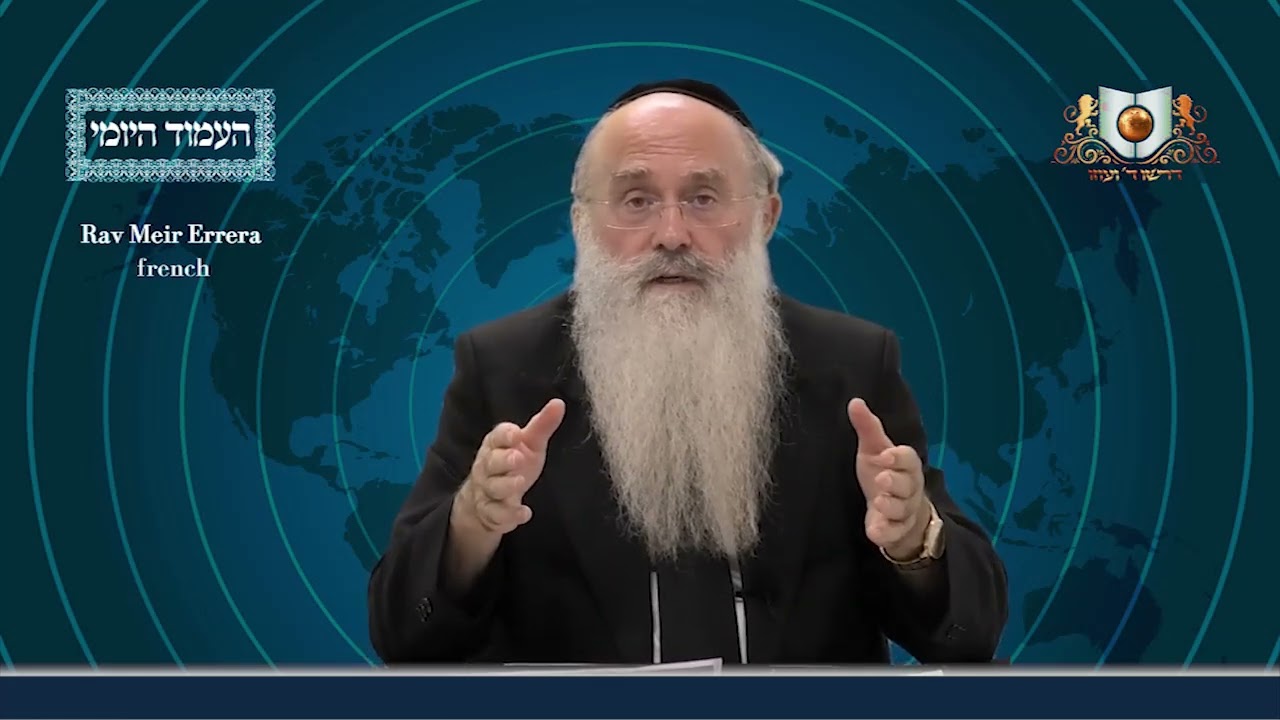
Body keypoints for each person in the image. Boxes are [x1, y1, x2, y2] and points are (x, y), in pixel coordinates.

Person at [367, 79, 1009, 666]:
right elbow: (402, 635)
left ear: (765, 217)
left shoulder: (854, 366)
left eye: (703, 198)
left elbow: (969, 635)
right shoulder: (502, 369)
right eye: (637, 199)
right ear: (582, 222)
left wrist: (914, 542)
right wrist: (471, 527)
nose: (671, 234)